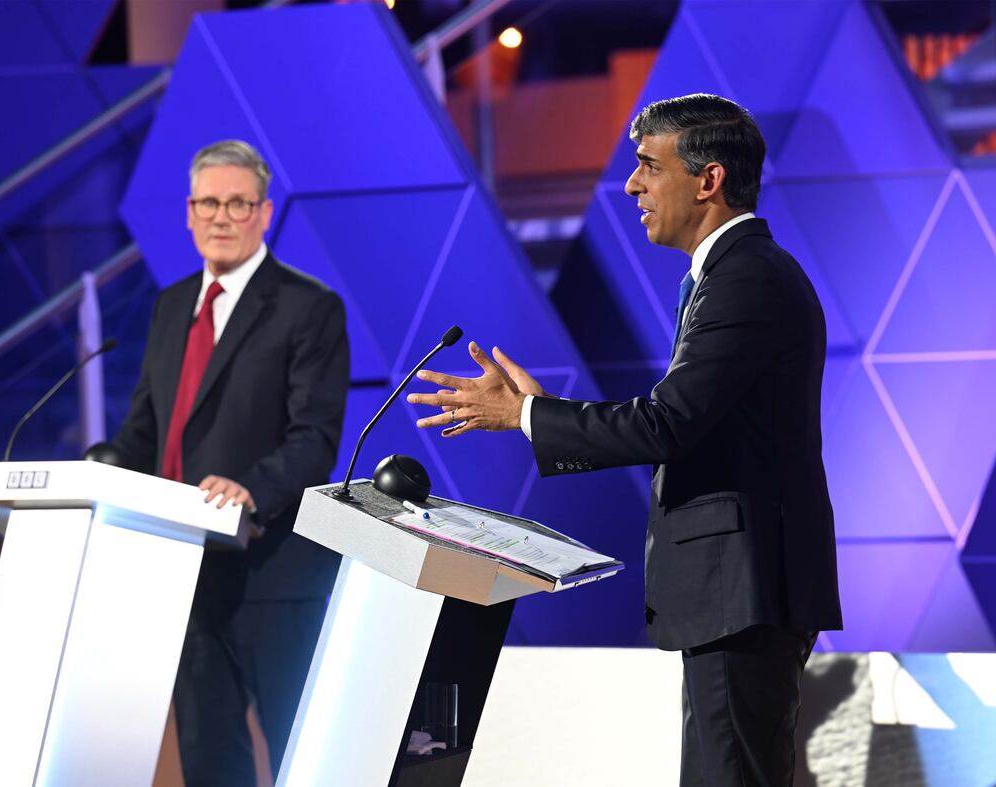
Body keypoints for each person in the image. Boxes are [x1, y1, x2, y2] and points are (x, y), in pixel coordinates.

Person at [407, 94, 841, 786]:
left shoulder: (747, 278)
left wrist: (525, 417)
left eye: (647, 166)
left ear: (709, 180)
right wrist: (540, 412)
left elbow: (665, 422)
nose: (633, 185)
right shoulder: (728, 276)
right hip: (735, 594)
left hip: (743, 591)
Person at [111, 140, 348, 784]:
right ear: (188, 213)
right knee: (211, 764)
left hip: (270, 574)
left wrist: (249, 487)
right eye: (208, 202)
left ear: (264, 213)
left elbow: (314, 437)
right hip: (184, 575)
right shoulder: (169, 306)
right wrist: (96, 472)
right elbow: (145, 432)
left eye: (237, 203)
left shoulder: (309, 306)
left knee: (302, 759)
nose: (221, 216)